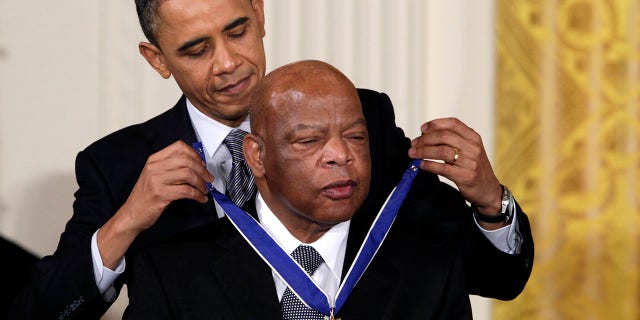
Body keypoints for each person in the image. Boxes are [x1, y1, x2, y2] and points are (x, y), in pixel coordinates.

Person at [9, 0, 532, 319]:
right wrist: (125, 223)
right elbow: (42, 312)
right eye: (196, 49)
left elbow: (493, 278)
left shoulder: (359, 120)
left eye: (236, 31)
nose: (229, 62)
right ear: (157, 60)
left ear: (260, 13)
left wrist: (490, 202)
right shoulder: (120, 164)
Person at [125, 60, 534, 319]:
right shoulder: (172, 275)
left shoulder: (426, 268)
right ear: (257, 156)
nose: (340, 154)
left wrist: (491, 201)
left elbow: (502, 276)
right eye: (309, 141)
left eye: (356, 137)